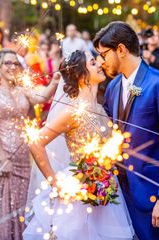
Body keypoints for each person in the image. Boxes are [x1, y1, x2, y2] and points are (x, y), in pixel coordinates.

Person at [23, 50, 134, 239]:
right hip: (77, 190)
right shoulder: (73, 111)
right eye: (92, 63)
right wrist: (55, 183)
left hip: (105, 186)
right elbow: (35, 142)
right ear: (80, 75)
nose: (100, 64)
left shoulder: (99, 108)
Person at [94, 21, 159, 240]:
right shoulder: (113, 87)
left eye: (103, 54)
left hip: (150, 195)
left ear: (121, 50)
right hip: (117, 193)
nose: (101, 61)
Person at [0, 48, 58, 240]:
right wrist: (2, 157)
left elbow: (41, 98)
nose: (12, 66)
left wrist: (55, 82)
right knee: (5, 206)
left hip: (24, 155)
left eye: (15, 63)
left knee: (23, 203)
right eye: (7, 63)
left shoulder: (21, 88)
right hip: (3, 156)